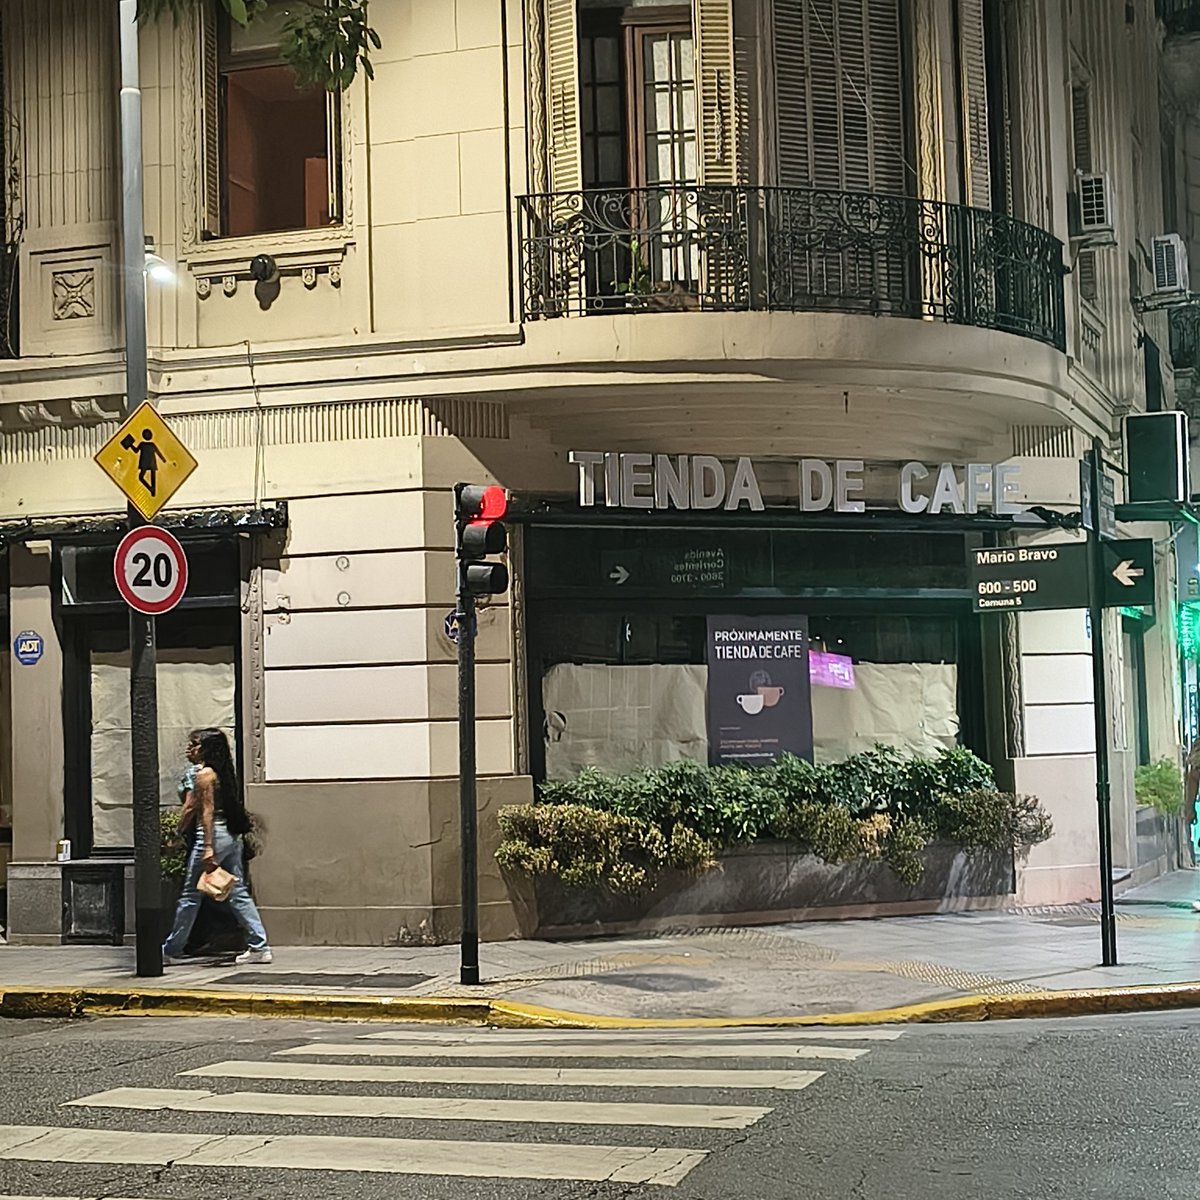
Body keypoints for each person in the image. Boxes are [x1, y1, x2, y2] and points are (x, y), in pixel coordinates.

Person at [162, 727, 272, 965]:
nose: (189, 748)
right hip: (230, 836)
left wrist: (203, 844)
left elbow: (200, 810)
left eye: (194, 744)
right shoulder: (222, 773)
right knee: (238, 891)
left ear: (207, 749)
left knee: (190, 895)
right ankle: (259, 945)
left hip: (211, 836)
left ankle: (171, 949)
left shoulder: (203, 775)